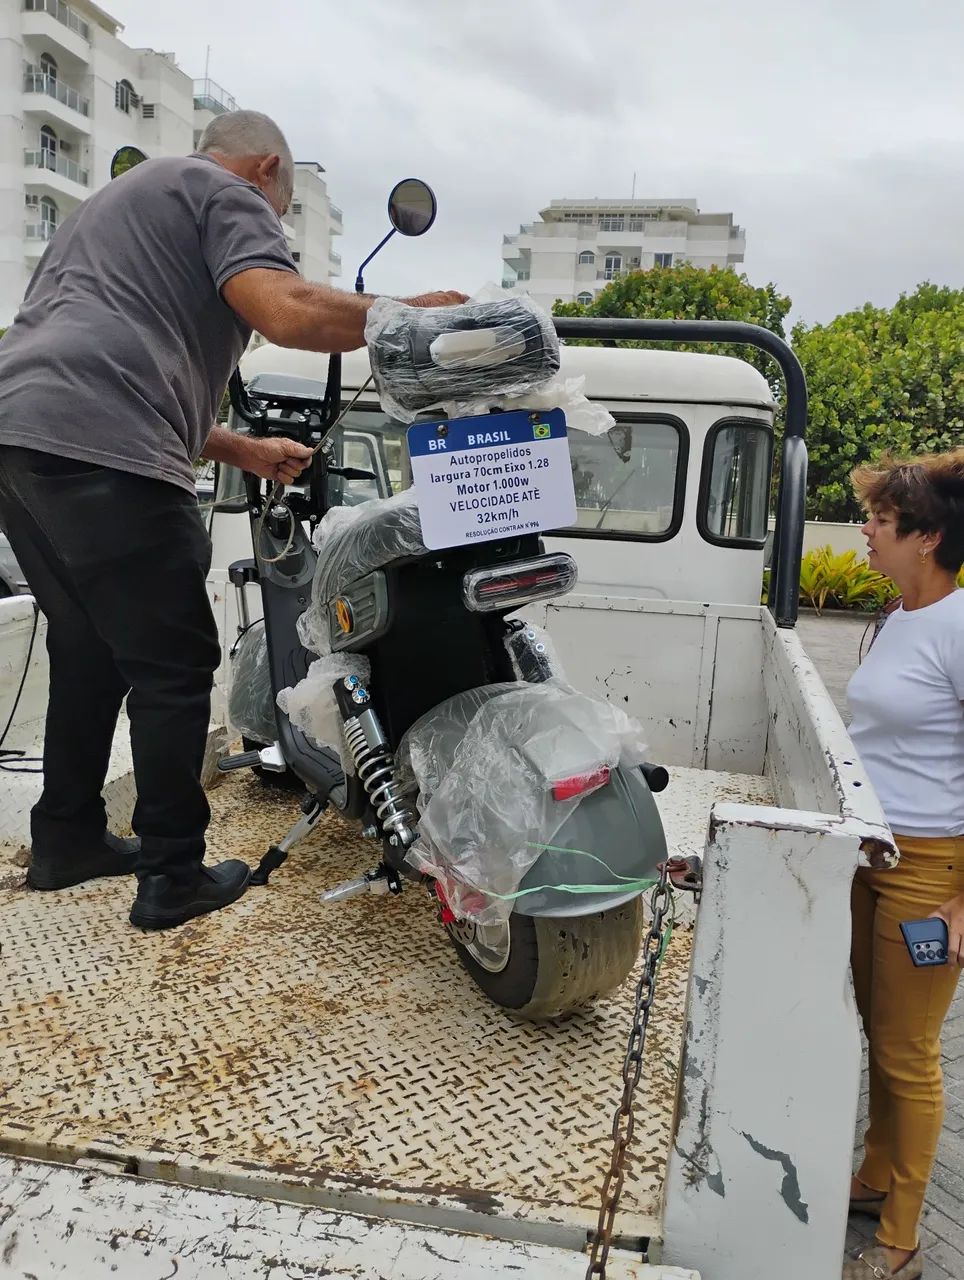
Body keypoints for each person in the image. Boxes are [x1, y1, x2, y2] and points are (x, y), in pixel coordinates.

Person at [0, 110, 467, 932]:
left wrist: (244, 450)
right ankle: (173, 873)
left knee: (88, 649)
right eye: (280, 216)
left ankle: (65, 838)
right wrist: (409, 313)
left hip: (20, 439)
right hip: (105, 451)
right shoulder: (224, 190)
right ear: (265, 170)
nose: (274, 229)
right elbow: (285, 310)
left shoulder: (111, 210)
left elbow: (105, 357)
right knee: (175, 666)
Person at [843, 448, 964, 1280]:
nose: (866, 532)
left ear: (925, 538)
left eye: (881, 522)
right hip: (870, 852)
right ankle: (878, 1171)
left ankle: (902, 1239)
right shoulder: (897, 617)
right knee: (875, 1028)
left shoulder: (959, 628)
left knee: (909, 1050)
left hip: (930, 869)